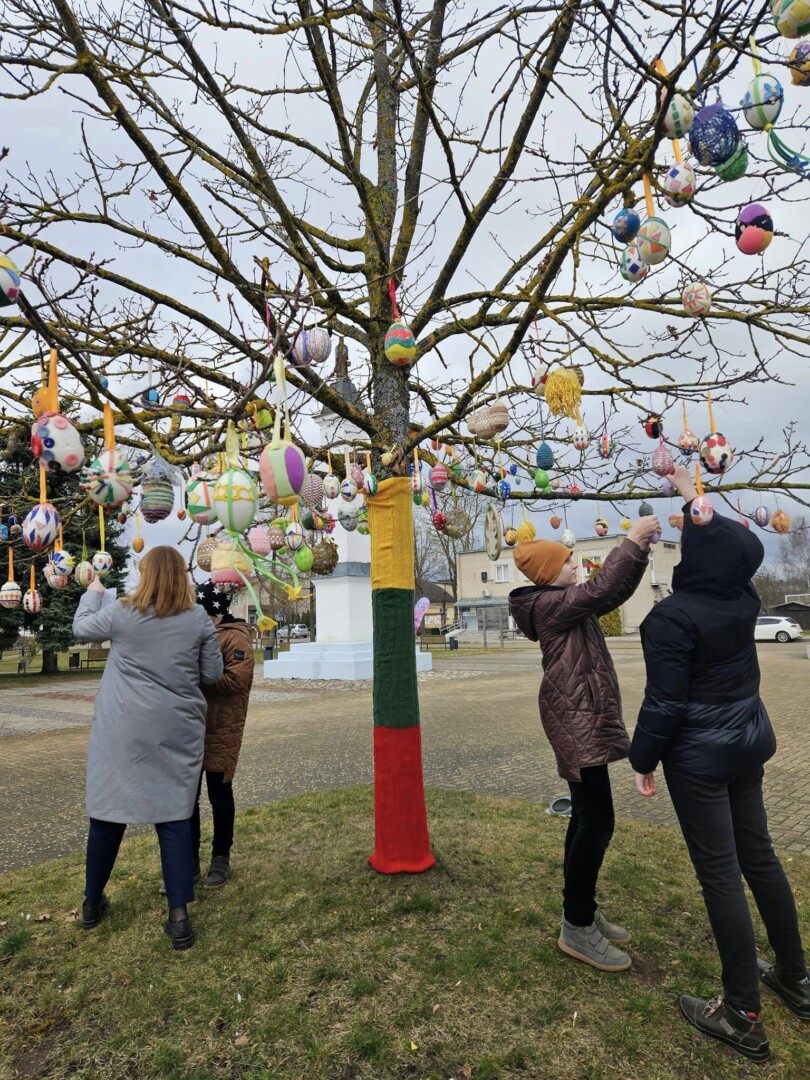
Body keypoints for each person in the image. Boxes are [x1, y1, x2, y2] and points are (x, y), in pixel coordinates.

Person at [630, 465, 809, 1063]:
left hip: (699, 760)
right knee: (758, 856)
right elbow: (723, 535)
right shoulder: (743, 595)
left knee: (721, 874)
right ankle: (796, 976)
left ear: (697, 557)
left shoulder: (670, 618)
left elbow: (666, 702)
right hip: (745, 743)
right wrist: (686, 484)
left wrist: (642, 758)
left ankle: (741, 1011)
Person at [508, 516, 660, 972]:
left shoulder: (562, 601)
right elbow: (596, 591)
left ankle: (582, 910)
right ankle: (576, 924)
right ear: (548, 573)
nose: (575, 565)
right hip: (573, 718)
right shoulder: (549, 605)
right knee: (597, 822)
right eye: (568, 561)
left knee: (587, 818)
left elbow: (610, 593)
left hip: (579, 715)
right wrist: (628, 542)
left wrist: (640, 554)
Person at [73, 546, 223, 950]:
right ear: (181, 576)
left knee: (107, 813)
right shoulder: (197, 619)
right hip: (176, 729)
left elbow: (81, 627)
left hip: (121, 729)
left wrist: (94, 590)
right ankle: (179, 920)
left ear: (146, 574)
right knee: (174, 815)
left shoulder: (123, 612)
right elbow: (212, 674)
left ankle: (91, 905)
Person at [190, 581, 255, 888]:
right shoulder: (193, 632)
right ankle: (187, 861)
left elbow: (236, 681)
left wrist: (195, 677)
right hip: (189, 725)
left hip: (221, 727)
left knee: (219, 794)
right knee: (185, 799)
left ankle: (220, 857)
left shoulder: (236, 637)